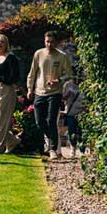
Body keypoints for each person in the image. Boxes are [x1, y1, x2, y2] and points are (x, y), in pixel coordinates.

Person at [26, 30, 74, 159]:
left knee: (51, 120)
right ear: (44, 41)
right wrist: (30, 89)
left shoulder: (62, 56)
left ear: (56, 43)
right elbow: (32, 73)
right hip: (39, 92)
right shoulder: (38, 54)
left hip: (55, 92)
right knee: (39, 122)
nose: (49, 44)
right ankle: (53, 140)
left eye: (52, 42)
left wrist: (58, 80)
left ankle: (53, 149)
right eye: (47, 41)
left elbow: (69, 74)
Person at [0, 33, 21, 154]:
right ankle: (12, 141)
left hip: (5, 90)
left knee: (0, 120)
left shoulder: (11, 58)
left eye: (2, 42)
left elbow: (14, 77)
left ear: (6, 44)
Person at [60, 78, 85, 156]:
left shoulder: (85, 84)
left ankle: (82, 150)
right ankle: (72, 148)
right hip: (71, 111)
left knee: (81, 132)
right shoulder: (67, 85)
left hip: (82, 112)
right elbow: (62, 98)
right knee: (71, 131)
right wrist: (67, 95)